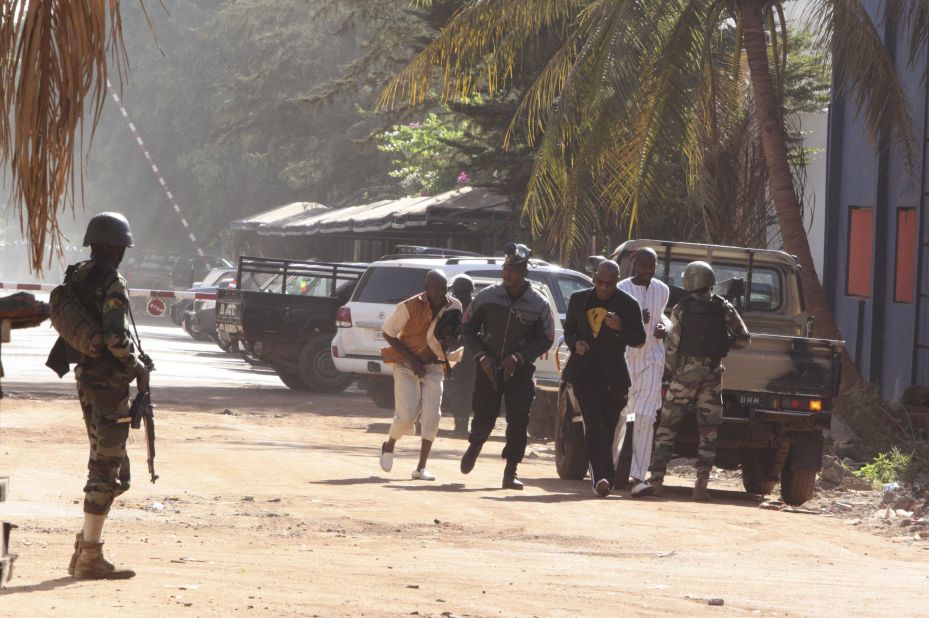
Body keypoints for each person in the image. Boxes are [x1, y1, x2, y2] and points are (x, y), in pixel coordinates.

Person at [68, 212, 149, 579]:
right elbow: (116, 337)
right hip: (108, 384)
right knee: (107, 470)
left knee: (113, 470)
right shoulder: (112, 281)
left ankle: (86, 541)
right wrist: (137, 366)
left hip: (87, 378)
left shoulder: (78, 275)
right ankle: (89, 556)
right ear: (116, 246)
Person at [648, 261, 750, 501]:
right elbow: (744, 339)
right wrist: (722, 346)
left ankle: (657, 482)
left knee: (667, 428)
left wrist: (674, 372)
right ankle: (701, 486)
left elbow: (672, 346)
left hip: (685, 375)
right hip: (713, 375)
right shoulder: (724, 307)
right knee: (709, 432)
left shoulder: (682, 308)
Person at [459, 243, 555, 490]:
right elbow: (467, 327)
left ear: (524, 271)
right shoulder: (487, 296)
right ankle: (475, 446)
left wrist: (519, 358)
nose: (507, 273)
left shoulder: (539, 304)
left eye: (512, 269)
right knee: (483, 414)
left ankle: (510, 471)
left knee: (518, 421)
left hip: (520, 371)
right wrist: (481, 356)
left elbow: (546, 338)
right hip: (488, 366)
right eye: (505, 268)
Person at [562, 260, 646, 497]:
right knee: (594, 424)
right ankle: (602, 478)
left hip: (614, 376)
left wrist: (620, 328)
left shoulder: (628, 304)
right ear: (594, 277)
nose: (604, 287)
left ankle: (604, 475)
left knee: (608, 429)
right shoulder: (579, 299)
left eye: (609, 283)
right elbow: (569, 329)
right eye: (599, 282)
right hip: (584, 373)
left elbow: (638, 339)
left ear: (617, 280)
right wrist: (574, 343)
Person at [379, 270, 462, 481]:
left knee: (433, 415)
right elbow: (388, 332)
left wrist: (451, 340)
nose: (441, 293)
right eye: (437, 289)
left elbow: (454, 333)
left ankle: (421, 468)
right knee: (407, 416)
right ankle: (390, 444)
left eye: (444, 289)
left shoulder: (454, 306)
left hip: (435, 367)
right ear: (427, 289)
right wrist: (412, 360)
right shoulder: (409, 306)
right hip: (407, 366)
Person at [614, 248, 670, 497]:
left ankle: (638, 477)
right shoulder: (622, 288)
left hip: (652, 359)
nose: (647, 271)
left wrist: (663, 326)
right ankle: (609, 471)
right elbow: (612, 320)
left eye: (651, 266)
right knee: (620, 415)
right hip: (625, 358)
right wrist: (634, 319)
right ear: (634, 265)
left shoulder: (662, 289)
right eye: (643, 265)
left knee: (645, 418)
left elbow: (664, 317)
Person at [442, 275, 476, 436]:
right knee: (468, 390)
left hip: (453, 354)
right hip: (472, 355)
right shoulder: (476, 305)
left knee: (454, 388)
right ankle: (463, 424)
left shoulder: (451, 305)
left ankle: (459, 423)